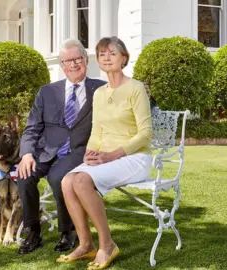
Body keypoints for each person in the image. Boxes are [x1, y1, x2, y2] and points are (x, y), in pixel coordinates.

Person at [56, 36, 153, 269]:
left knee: (80, 181)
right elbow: (97, 131)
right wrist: (89, 153)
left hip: (135, 157)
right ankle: (86, 244)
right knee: (67, 181)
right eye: (102, 54)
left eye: (112, 53)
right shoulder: (99, 93)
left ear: (124, 58)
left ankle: (107, 245)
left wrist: (113, 155)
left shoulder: (136, 88)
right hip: (105, 158)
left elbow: (146, 134)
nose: (107, 57)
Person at [16, 39, 106, 255]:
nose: (73, 65)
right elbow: (32, 127)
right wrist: (27, 153)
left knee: (58, 177)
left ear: (86, 60)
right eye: (67, 61)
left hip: (78, 151)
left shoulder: (102, 89)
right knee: (24, 175)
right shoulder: (47, 91)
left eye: (77, 59)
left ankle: (68, 231)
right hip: (46, 150)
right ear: (61, 64)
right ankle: (33, 230)